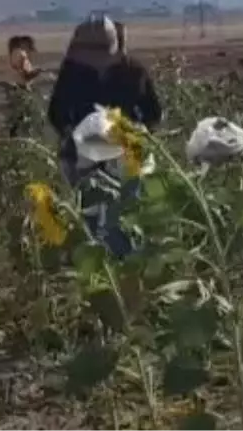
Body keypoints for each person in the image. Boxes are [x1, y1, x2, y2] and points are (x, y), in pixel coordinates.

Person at [47, 13, 163, 258]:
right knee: (91, 214)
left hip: (126, 155)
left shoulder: (134, 71)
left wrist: (136, 134)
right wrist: (71, 134)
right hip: (83, 156)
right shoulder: (72, 72)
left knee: (126, 214)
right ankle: (102, 263)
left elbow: (153, 113)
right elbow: (56, 113)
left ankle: (127, 263)